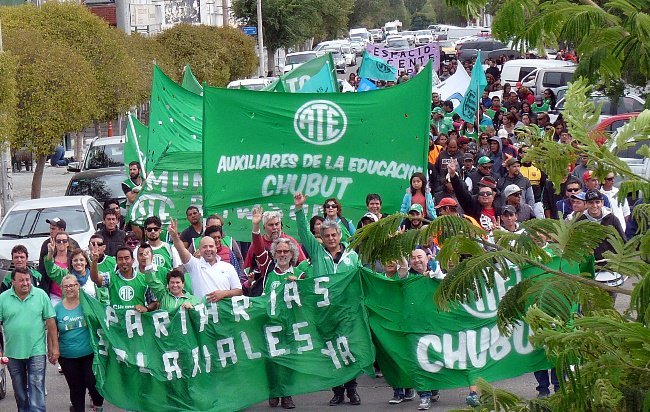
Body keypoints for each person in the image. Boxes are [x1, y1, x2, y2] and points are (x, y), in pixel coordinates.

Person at [294, 192, 362, 406]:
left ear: (340, 235)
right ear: (321, 238)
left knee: (349, 351)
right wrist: (299, 209)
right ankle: (337, 391)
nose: (331, 239)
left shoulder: (352, 257)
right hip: (324, 311)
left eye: (334, 235)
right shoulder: (317, 252)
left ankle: (352, 390)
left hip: (348, 312)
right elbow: (304, 232)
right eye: (327, 236)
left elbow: (361, 279)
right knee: (331, 351)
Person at [0, 267, 59, 412]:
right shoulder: (3, 298)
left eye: (28, 280)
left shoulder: (41, 295)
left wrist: (54, 348)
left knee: (37, 385)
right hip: (13, 352)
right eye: (21, 280)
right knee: (19, 392)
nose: (26, 283)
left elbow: (51, 323)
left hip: (36, 351)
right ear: (13, 282)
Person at [55, 274, 104, 412]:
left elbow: (101, 320)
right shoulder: (57, 309)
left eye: (72, 285)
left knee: (93, 384)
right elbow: (53, 332)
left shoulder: (87, 303)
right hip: (67, 356)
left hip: (89, 353)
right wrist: (53, 349)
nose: (69, 288)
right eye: (66, 286)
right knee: (76, 388)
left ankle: (98, 405)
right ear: (62, 289)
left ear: (78, 286)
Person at [168, 219, 242, 301]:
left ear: (216, 248)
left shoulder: (228, 267)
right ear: (199, 250)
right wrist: (175, 237)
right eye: (204, 247)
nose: (208, 249)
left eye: (211, 246)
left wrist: (224, 293)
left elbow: (239, 291)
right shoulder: (194, 265)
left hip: (223, 312)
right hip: (202, 312)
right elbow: (181, 249)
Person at [90, 246, 151, 311]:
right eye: (120, 259)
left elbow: (155, 302)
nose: (124, 262)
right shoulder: (110, 277)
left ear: (133, 260)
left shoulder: (144, 279)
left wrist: (146, 308)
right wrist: (95, 261)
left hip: (139, 320)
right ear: (116, 261)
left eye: (127, 258)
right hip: (117, 320)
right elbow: (95, 279)